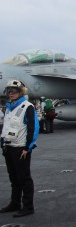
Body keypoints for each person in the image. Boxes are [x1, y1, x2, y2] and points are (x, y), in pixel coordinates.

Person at [0, 80, 39, 217]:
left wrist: (27, 148)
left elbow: (33, 128)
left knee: (24, 178)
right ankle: (15, 203)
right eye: (9, 91)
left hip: (21, 148)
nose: (11, 93)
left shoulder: (27, 106)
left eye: (14, 91)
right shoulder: (9, 107)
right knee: (14, 178)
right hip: (9, 147)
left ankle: (28, 207)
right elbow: (6, 127)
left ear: (21, 92)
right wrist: (2, 143)